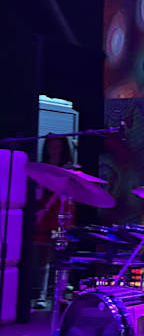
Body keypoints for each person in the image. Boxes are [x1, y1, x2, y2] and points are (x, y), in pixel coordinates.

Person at [32, 132, 75, 309]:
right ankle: (41, 294)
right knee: (44, 255)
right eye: (51, 145)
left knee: (61, 253)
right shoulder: (42, 166)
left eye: (57, 145)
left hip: (61, 210)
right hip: (44, 210)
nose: (54, 148)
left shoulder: (68, 168)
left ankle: (60, 293)